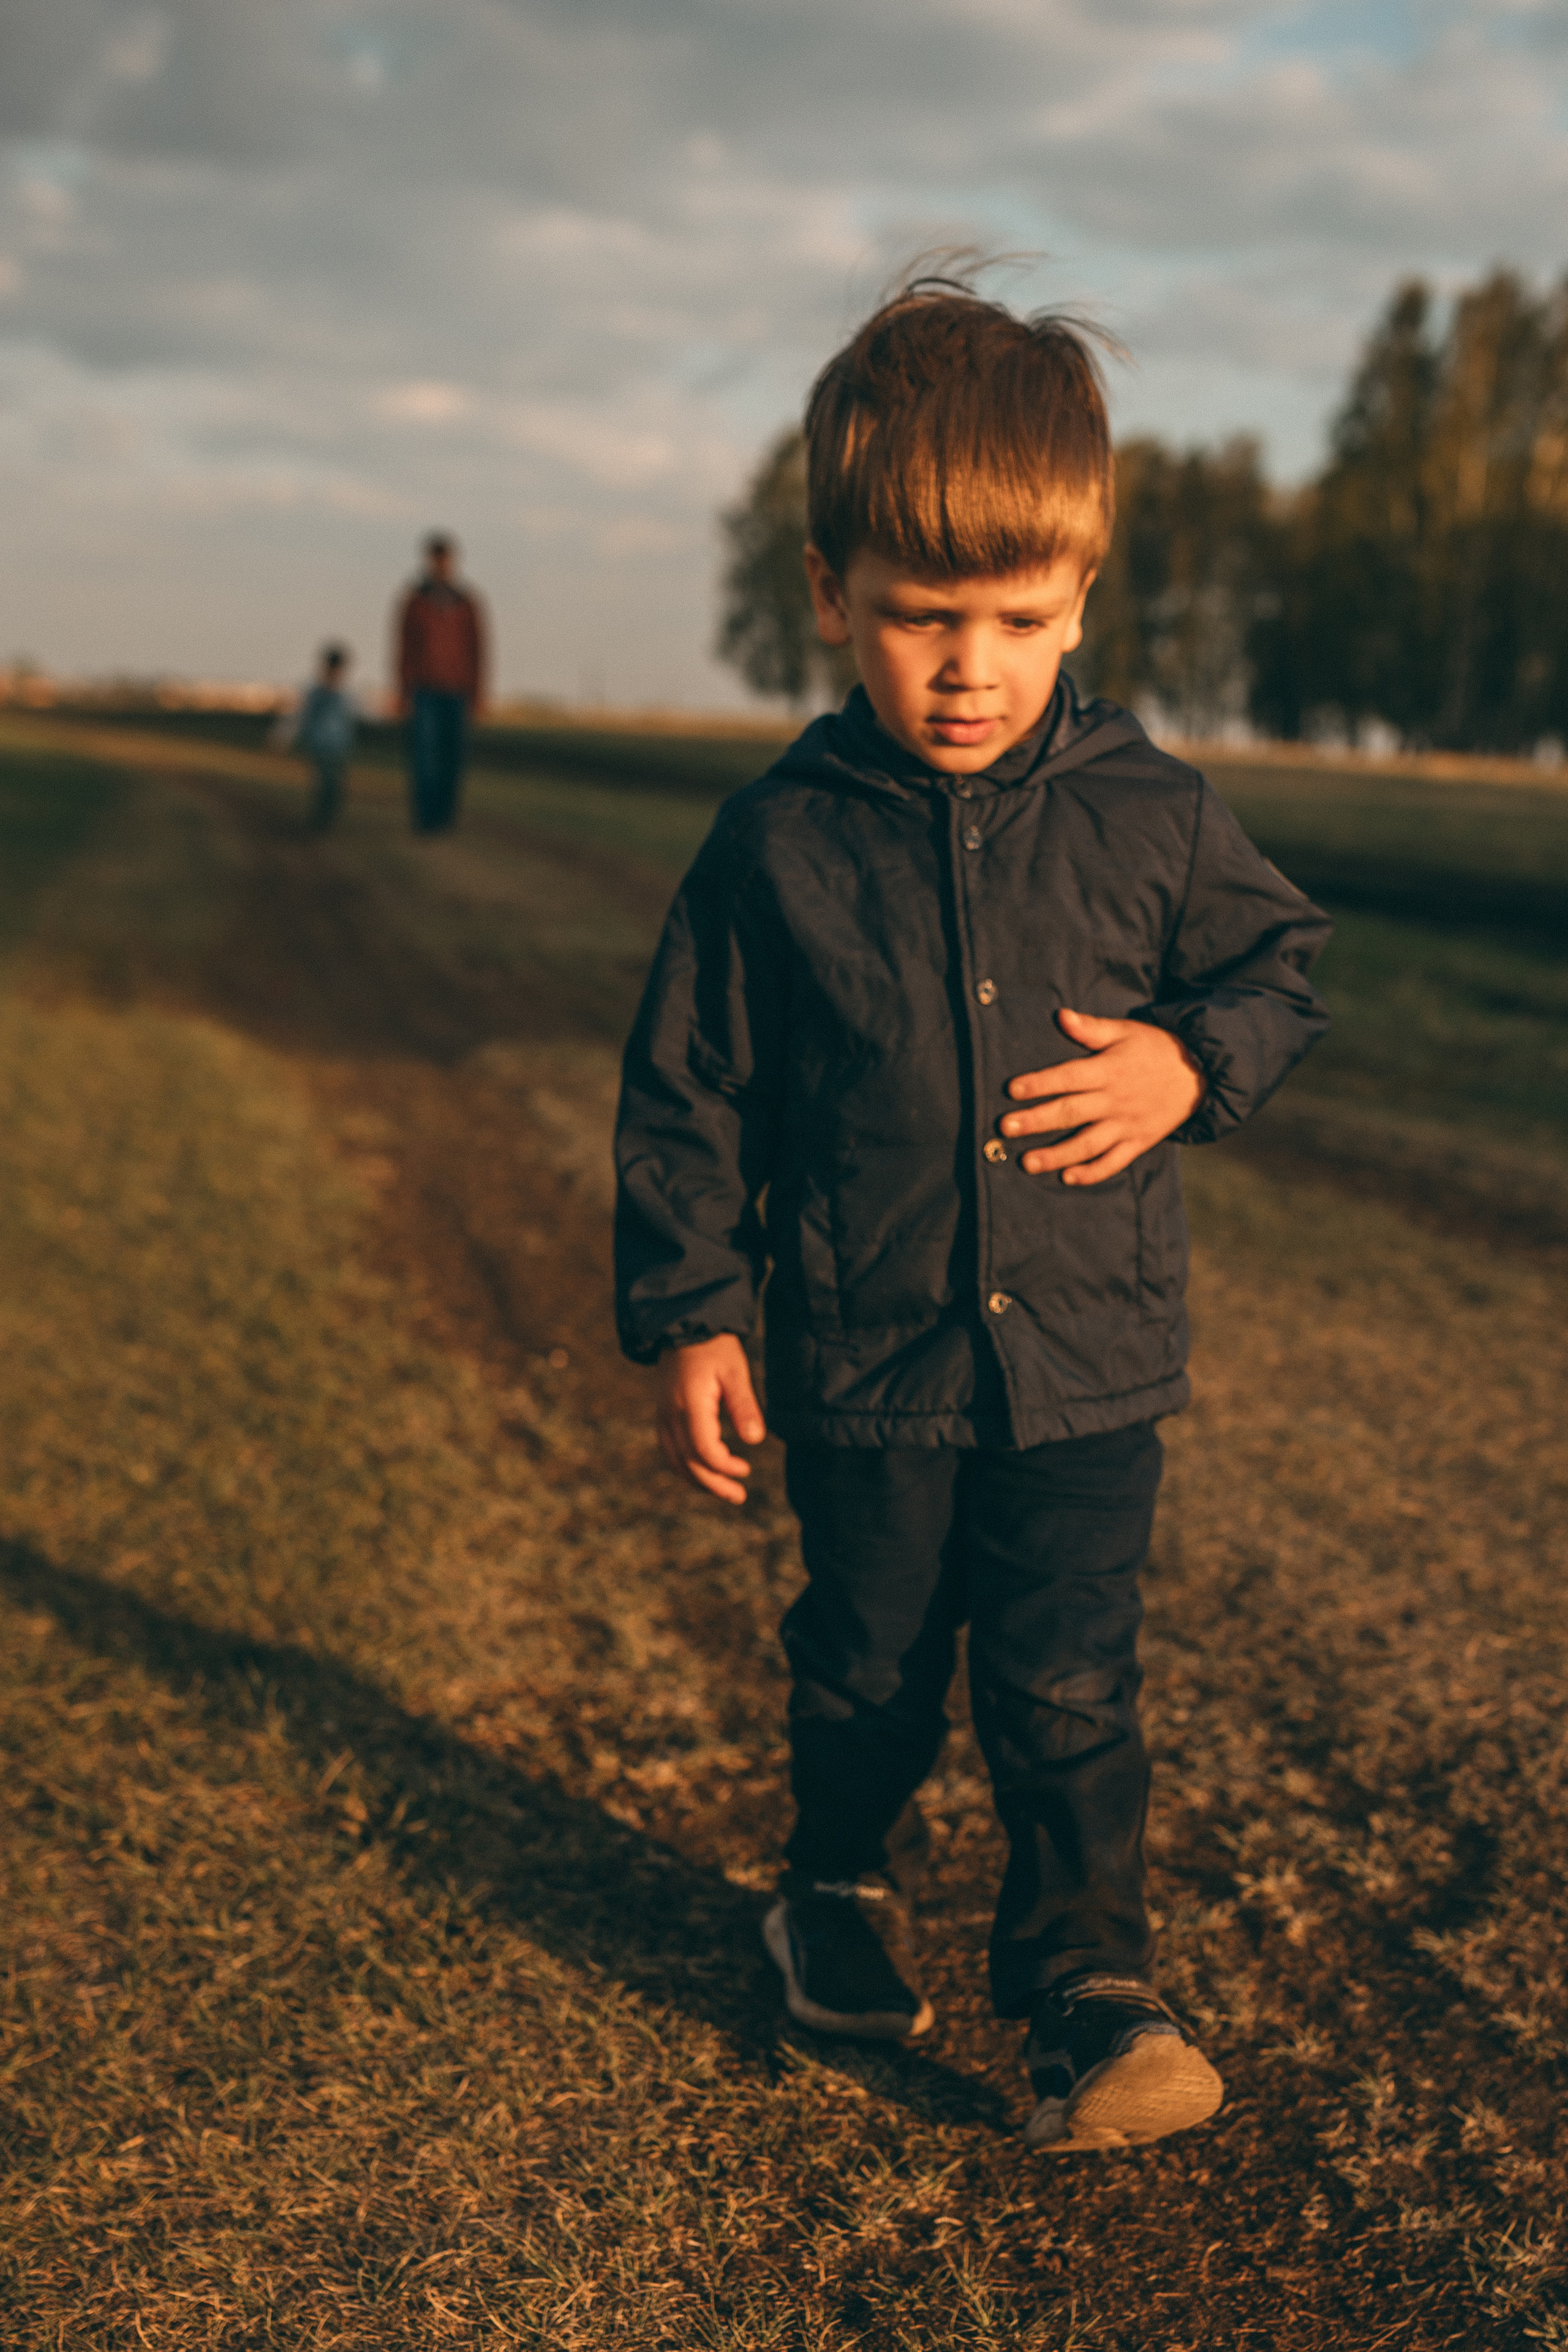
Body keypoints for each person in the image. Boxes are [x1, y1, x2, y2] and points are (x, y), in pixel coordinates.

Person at [613, 279, 1333, 2156]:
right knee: (863, 1654)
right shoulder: (774, 845)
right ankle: (832, 1879)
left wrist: (1189, 1063)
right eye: (921, 616)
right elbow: (686, 1089)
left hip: (1090, 1361)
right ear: (828, 588)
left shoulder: (1145, 811)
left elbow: (1277, 964)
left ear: (1082, 598)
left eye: (1018, 620)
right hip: (865, 1355)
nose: (967, 665)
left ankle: (1084, 1989)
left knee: (1067, 1675)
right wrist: (693, 1307)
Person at [394, 532, 486, 834]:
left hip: (458, 692)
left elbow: (478, 650)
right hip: (424, 692)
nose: (441, 565)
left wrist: (478, 693)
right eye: (436, 559)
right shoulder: (415, 600)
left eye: (445, 559)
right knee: (425, 758)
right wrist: (403, 692)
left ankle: (446, 818)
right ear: (429, 561)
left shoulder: (467, 602)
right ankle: (426, 818)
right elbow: (404, 649)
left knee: (453, 758)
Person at [290, 643, 357, 832]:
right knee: (326, 782)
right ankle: (322, 819)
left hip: (340, 747)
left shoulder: (346, 693)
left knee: (336, 785)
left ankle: (326, 818)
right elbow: (299, 716)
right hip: (321, 745)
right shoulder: (316, 692)